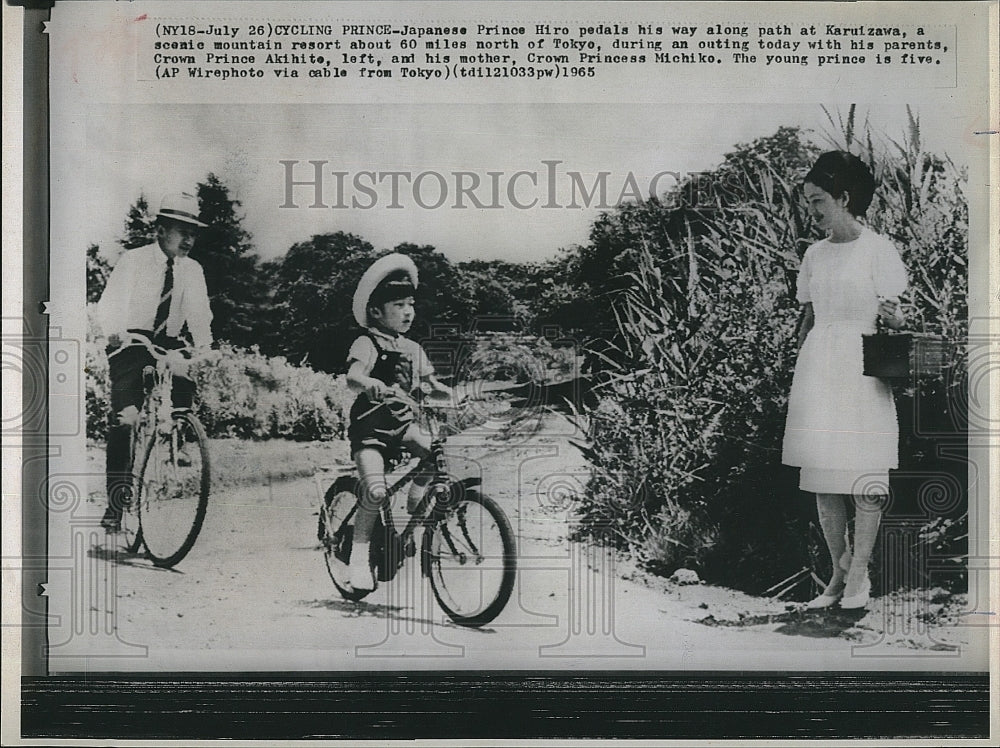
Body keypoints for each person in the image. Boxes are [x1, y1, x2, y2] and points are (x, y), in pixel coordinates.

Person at [782, 151, 907, 611]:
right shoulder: (814, 255)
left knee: (865, 472)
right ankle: (837, 572)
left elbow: (898, 315)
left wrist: (894, 317)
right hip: (820, 365)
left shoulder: (878, 249)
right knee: (821, 472)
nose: (811, 211)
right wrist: (800, 370)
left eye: (818, 201)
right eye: (808, 202)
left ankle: (860, 573)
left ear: (845, 197)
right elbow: (807, 318)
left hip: (862, 367)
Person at [96, 192, 213, 531]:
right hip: (133, 343)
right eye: (181, 231)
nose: (188, 239)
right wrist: (116, 332)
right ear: (161, 230)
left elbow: (199, 314)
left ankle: (179, 431)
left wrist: (204, 346)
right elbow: (111, 303)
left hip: (168, 342)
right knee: (126, 421)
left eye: (193, 233)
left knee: (183, 369)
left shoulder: (192, 270)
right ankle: (116, 504)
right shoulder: (134, 260)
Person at [344, 253, 453, 591]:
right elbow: (352, 376)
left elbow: (430, 385)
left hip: (403, 426)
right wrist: (370, 383)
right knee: (375, 492)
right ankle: (358, 559)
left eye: (410, 304)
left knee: (435, 455)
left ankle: (415, 498)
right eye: (398, 305)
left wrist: (450, 394)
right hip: (371, 432)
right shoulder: (367, 342)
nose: (408, 311)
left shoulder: (413, 348)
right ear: (376, 311)